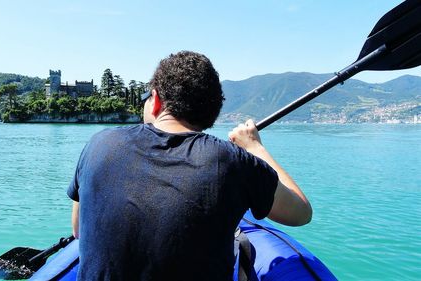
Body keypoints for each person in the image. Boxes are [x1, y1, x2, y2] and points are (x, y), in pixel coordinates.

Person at [67, 51, 312, 281]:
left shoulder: (98, 144)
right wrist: (254, 148)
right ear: (210, 115)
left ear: (156, 101)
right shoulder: (234, 161)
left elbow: (78, 230)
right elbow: (301, 212)